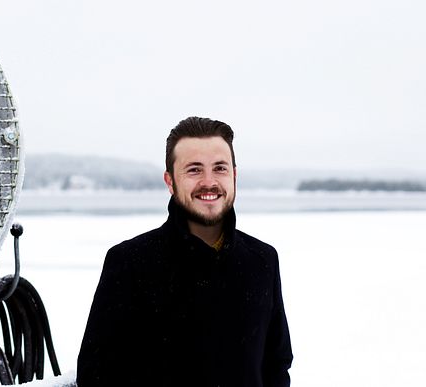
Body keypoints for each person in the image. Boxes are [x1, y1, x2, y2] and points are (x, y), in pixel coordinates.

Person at [77, 116, 293, 386]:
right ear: (170, 181)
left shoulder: (262, 260)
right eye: (194, 170)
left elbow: (276, 364)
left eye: (220, 168)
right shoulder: (130, 262)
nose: (209, 182)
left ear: (234, 176)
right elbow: (97, 376)